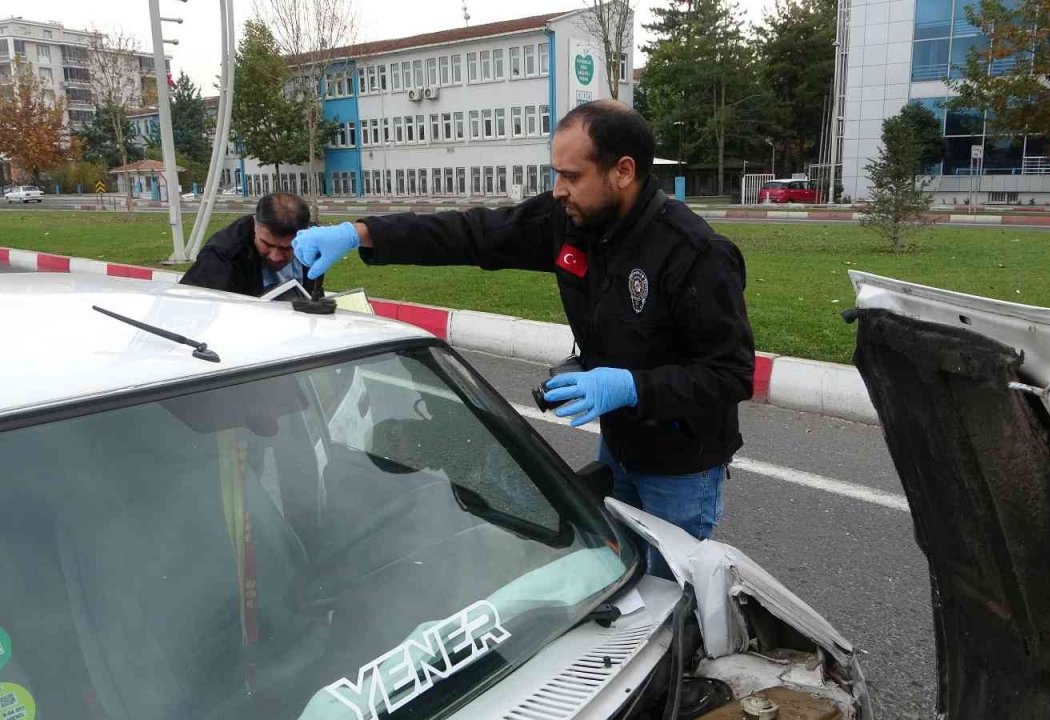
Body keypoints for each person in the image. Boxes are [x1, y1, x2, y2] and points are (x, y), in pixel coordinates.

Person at [294, 100, 754, 576]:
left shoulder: (696, 254)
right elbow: (472, 234)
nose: (558, 190)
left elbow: (732, 374)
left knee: (668, 588)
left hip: (683, 467)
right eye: (556, 174)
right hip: (619, 442)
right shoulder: (572, 222)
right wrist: (362, 234)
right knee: (622, 573)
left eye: (572, 176)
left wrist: (632, 387)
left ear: (623, 171)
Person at [180, 192, 323, 298]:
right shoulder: (221, 256)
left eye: (288, 248)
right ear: (254, 224)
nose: (275, 257)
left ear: (306, 234)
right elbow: (194, 307)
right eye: (267, 244)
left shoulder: (315, 245)